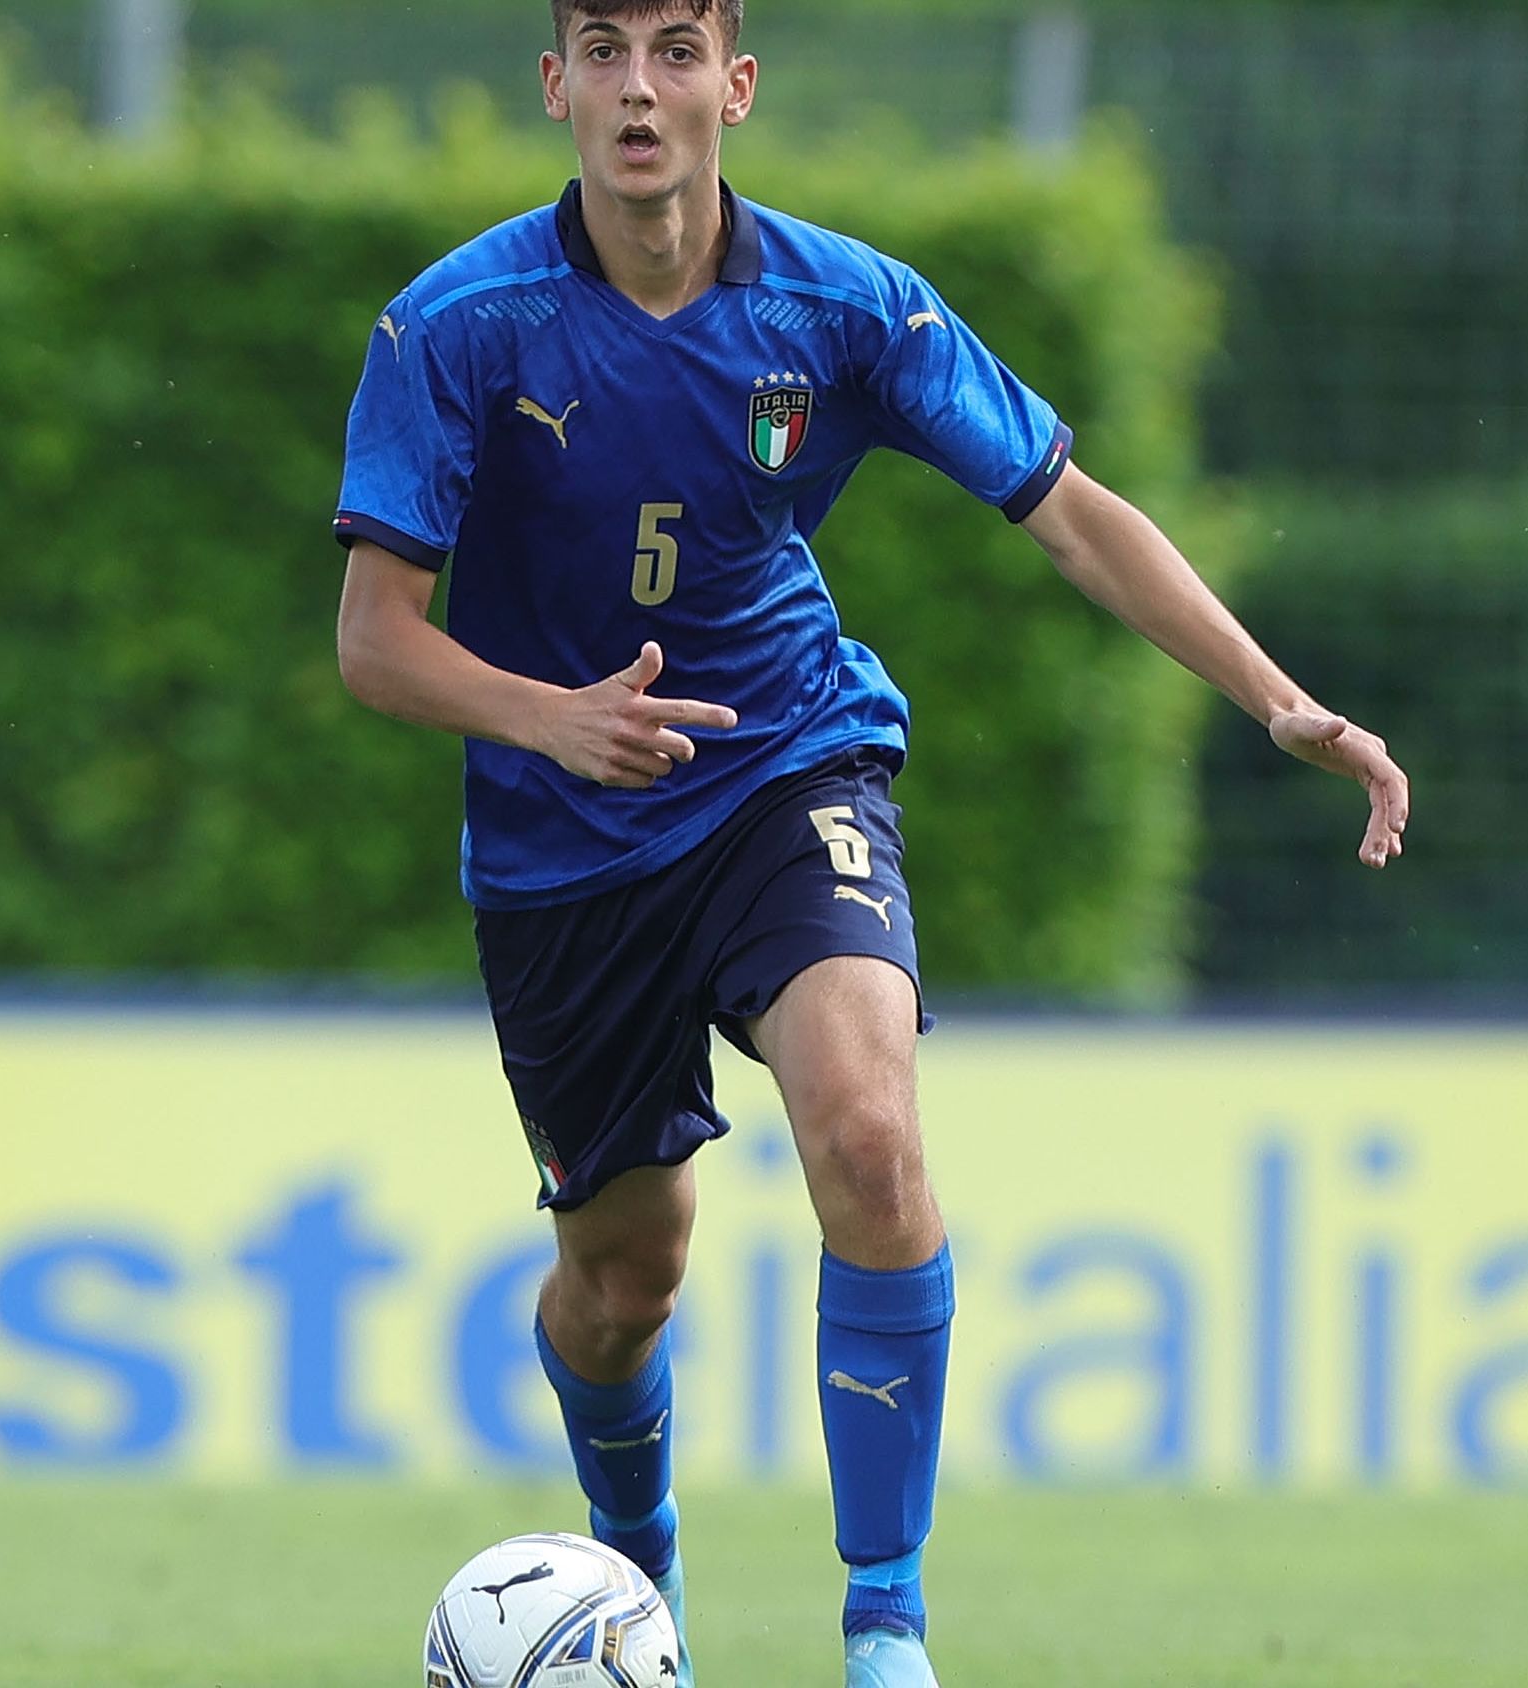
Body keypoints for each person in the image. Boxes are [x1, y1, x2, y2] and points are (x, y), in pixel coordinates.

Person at [334, 3, 1409, 1682]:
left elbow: (1072, 512)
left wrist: (1275, 701)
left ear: (733, 86)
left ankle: (885, 1625)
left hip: (785, 768)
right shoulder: (459, 326)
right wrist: (554, 720)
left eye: (676, 47)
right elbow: (373, 639)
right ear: (554, 86)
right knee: (624, 1286)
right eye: (603, 48)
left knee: (870, 1135)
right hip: (563, 840)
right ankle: (636, 1565)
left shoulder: (845, 307)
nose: (639, 86)